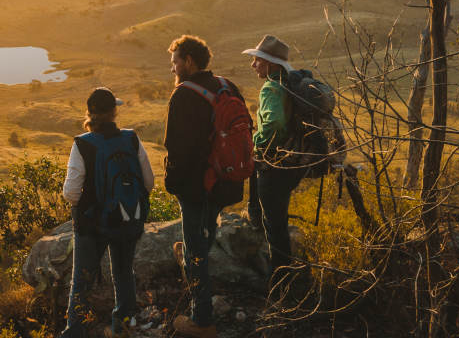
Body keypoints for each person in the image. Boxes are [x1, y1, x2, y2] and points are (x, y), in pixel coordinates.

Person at [165, 35, 244, 338]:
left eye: (175, 62)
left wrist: (174, 184)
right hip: (226, 183)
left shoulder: (184, 95)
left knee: (196, 250)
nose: (173, 69)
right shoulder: (227, 86)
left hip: (197, 188)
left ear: (189, 62)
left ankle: (202, 320)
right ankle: (193, 255)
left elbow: (175, 148)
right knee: (203, 234)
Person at [60, 87, 155, 338]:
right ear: (114, 112)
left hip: (91, 225)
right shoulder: (131, 138)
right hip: (126, 219)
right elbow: (148, 182)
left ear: (90, 114)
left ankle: (75, 331)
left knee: (81, 281)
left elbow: (71, 192)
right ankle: (123, 324)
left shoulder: (82, 144)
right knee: (123, 273)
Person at [242, 34, 307, 287]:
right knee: (278, 219)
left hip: (276, 164)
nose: (253, 65)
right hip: (294, 162)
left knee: (274, 225)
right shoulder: (290, 84)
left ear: (270, 64)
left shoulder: (271, 87)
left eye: (257, 60)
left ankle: (279, 282)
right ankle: (284, 277)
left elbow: (276, 122)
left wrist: (257, 145)